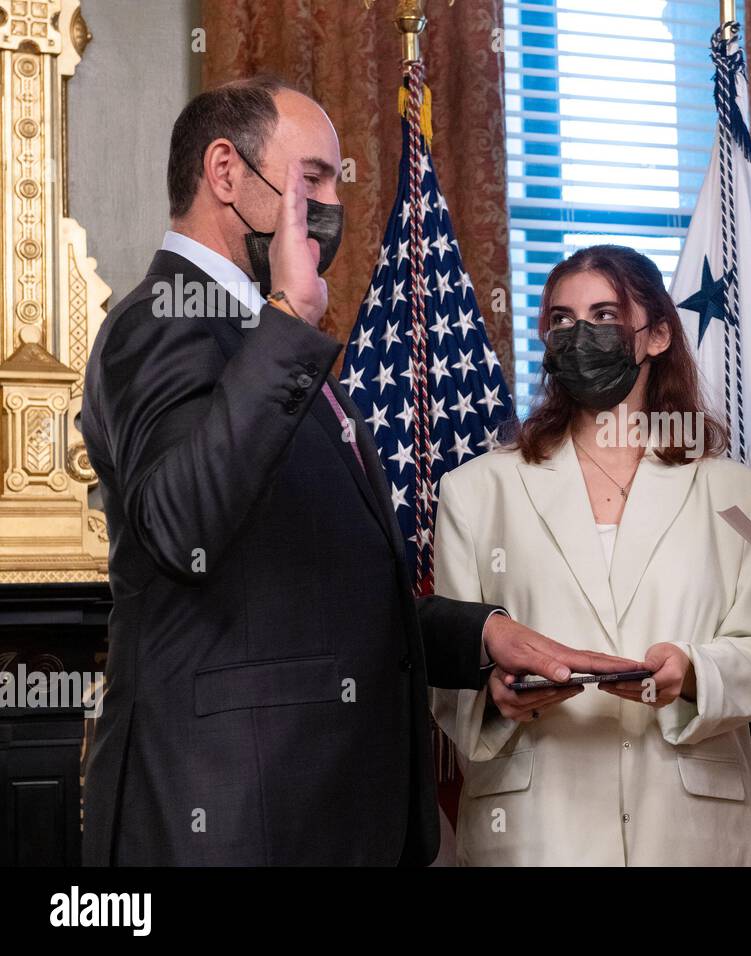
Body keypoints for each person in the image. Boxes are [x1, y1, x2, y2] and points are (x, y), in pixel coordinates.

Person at [79, 77, 628, 866]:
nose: (335, 202)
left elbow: (323, 587)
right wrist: (290, 322)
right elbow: (180, 522)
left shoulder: (261, 329)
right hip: (232, 817)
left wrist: (484, 635)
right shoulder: (161, 320)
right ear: (225, 173)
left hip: (322, 813)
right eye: (313, 179)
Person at [433, 245, 751, 865]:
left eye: (604, 316)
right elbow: (450, 661)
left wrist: (692, 672)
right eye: (562, 321)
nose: (581, 335)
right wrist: (495, 694)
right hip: (538, 827)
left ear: (655, 335)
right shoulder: (475, 491)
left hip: (688, 832)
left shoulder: (739, 495)